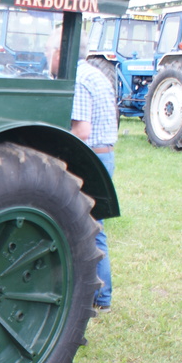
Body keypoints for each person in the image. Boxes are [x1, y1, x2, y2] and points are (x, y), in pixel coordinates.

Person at [48, 27, 117, 315]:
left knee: (89, 229)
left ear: (59, 53)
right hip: (106, 156)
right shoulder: (96, 74)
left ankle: (99, 297)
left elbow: (81, 130)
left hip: (92, 158)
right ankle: (101, 296)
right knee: (94, 227)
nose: (47, 60)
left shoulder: (77, 78)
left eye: (48, 53)